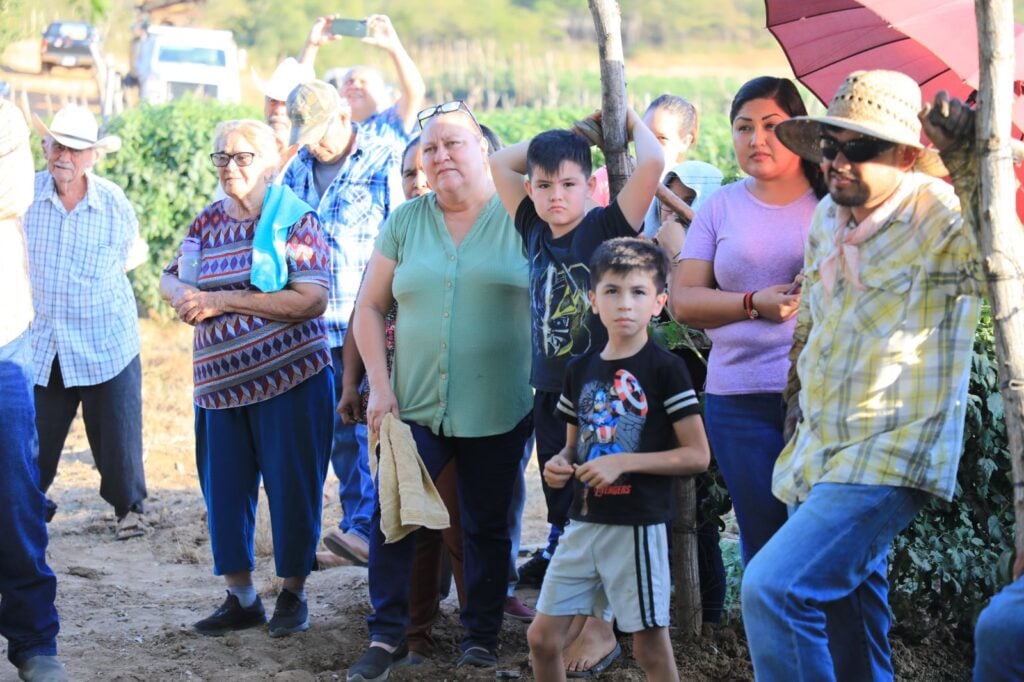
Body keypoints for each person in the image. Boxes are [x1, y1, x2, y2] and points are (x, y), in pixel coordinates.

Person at [739, 70, 984, 680]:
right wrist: (795, 398)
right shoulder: (830, 216)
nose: (837, 160)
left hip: (889, 448)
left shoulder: (939, 215)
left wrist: (972, 166)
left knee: (774, 589)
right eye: (829, 144)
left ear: (905, 154)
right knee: (849, 618)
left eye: (859, 147)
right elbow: (815, 321)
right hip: (822, 446)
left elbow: (1001, 268)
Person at [348, 100, 532, 680]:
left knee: (485, 523)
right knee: (394, 516)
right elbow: (370, 306)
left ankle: (479, 636)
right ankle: (387, 636)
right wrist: (378, 387)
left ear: (485, 150)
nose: (439, 155)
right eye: (429, 148)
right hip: (414, 402)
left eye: (454, 143)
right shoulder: (406, 221)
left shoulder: (520, 215)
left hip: (501, 404)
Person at [489, 109, 663, 673]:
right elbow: (496, 161)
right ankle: (584, 620)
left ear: (590, 185)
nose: (554, 195)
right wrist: (566, 133)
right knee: (565, 504)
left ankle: (601, 629)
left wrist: (622, 119)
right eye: (542, 184)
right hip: (548, 392)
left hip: (599, 398)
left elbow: (654, 162)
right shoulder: (532, 228)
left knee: (601, 506)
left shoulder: (603, 227)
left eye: (568, 183)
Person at [159, 119, 334, 638]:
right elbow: (173, 275)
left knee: (292, 487)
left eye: (242, 157)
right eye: (221, 158)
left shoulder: (295, 220)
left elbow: (312, 297)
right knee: (225, 491)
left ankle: (294, 595)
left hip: (290, 380)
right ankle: (241, 598)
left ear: (270, 161)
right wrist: (182, 298)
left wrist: (219, 300)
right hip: (218, 386)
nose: (229, 167)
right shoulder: (207, 223)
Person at [528, 237, 710, 682]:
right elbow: (572, 448)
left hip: (636, 526)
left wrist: (624, 463)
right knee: (541, 639)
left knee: (650, 648)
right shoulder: (579, 370)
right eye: (611, 291)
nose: (624, 303)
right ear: (593, 300)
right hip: (583, 523)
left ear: (659, 302)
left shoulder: (667, 369)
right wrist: (559, 466)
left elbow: (697, 455)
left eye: (638, 292)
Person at [672, 76, 824, 566]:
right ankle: (775, 645)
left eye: (771, 125)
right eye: (743, 127)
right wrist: (753, 302)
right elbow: (685, 302)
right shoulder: (722, 206)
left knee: (821, 546)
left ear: (799, 131)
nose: (756, 139)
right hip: (736, 399)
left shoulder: (832, 205)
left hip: (820, 397)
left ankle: (831, 645)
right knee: (765, 545)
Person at [282, 80, 400, 569]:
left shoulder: (384, 160)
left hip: (367, 319)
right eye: (305, 133)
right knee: (337, 432)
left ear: (346, 116)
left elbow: (403, 228)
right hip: (313, 324)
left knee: (372, 428)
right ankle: (358, 527)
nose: (314, 142)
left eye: (320, 130)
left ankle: (376, 530)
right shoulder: (297, 171)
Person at [24, 105, 148, 540]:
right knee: (32, 436)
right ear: (45, 147)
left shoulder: (112, 201)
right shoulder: (25, 195)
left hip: (104, 337)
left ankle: (129, 509)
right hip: (45, 341)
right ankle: (27, 503)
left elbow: (132, 255)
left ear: (92, 156)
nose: (64, 156)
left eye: (75, 149)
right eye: (58, 145)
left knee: (118, 435)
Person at [0, 100, 68, 682]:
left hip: (2, 343)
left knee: (16, 492)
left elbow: (9, 195)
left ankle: (33, 642)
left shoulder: (3, 118)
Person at [300, 14, 424, 157]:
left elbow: (415, 92)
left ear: (382, 94)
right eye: (349, 81)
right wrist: (311, 46)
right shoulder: (326, 125)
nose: (354, 85)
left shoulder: (390, 122)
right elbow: (298, 99)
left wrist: (394, 46)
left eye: (363, 82)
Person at [251, 57, 315, 163]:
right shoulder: (250, 150)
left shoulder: (312, 158)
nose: (279, 110)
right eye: (273, 101)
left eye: (287, 103)